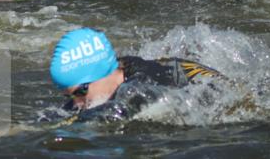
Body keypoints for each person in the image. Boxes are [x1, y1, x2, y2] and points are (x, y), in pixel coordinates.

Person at [50, 28, 221, 120]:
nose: (77, 103)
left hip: (223, 97)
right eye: (69, 96)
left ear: (102, 74)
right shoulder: (110, 78)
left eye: (80, 92)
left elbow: (115, 111)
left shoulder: (139, 88)